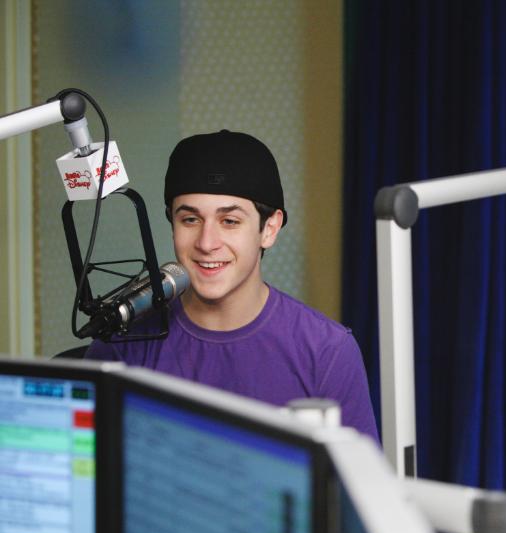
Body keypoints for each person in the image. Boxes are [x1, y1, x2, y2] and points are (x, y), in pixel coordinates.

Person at [86, 130, 379, 441]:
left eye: (230, 221)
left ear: (269, 228)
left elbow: (359, 473)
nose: (207, 243)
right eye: (190, 220)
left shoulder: (326, 352)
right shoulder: (122, 342)